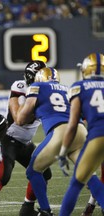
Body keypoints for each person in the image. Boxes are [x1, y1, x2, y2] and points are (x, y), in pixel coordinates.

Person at [0, 60, 52, 216]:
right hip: (9, 138)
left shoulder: (46, 90)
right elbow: (18, 118)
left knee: (44, 172)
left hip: (25, 142)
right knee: (1, 177)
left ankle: (27, 208)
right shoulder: (20, 86)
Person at [16, 67, 87, 216]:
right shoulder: (68, 89)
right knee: (87, 174)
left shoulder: (37, 86)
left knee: (33, 170)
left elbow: (21, 119)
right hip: (81, 130)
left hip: (60, 131)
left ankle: (45, 211)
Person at [57, 53, 104, 216]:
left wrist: (63, 152)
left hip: (98, 136)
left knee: (76, 184)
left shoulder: (79, 87)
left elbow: (72, 125)